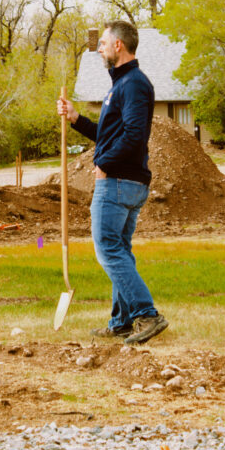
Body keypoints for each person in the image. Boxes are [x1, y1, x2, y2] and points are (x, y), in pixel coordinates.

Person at [56, 20, 168, 345]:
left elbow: (134, 135)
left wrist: (104, 164)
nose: (100, 48)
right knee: (120, 250)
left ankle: (147, 314)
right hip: (126, 181)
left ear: (119, 45)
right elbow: (108, 134)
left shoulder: (132, 84)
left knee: (107, 249)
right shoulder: (122, 84)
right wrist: (76, 119)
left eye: (103, 43)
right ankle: (122, 321)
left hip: (119, 181)